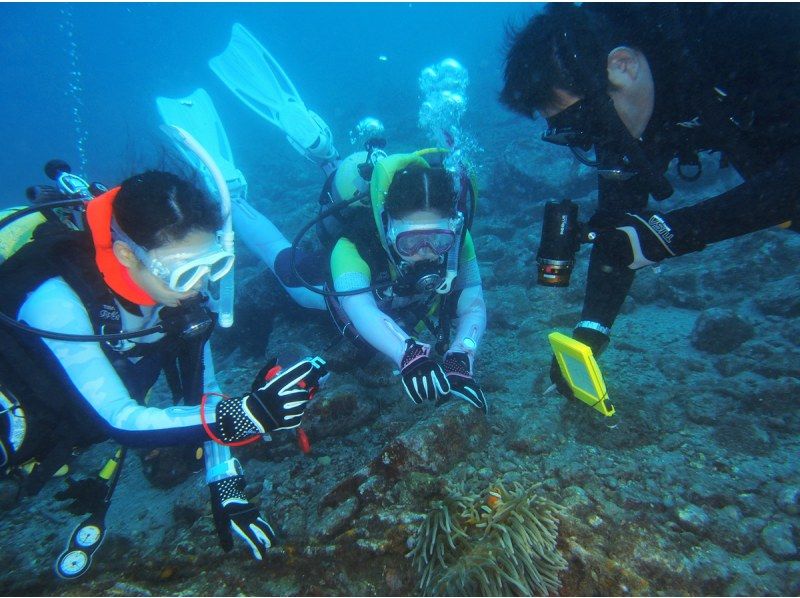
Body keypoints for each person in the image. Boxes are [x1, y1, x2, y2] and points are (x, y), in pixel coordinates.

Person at [0, 169, 328, 572]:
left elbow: (202, 392)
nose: (199, 285)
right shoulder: (55, 299)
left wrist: (226, 489)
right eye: (182, 271)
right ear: (126, 254)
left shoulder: (180, 299)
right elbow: (117, 418)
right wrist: (248, 415)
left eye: (212, 264)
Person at [499, 3, 800, 398]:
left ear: (622, 66)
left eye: (582, 122)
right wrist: (591, 334)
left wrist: (669, 234)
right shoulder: (621, 117)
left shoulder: (751, 31)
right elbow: (619, 236)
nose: (590, 140)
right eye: (566, 130)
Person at [326, 150, 488, 413]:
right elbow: (359, 308)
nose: (425, 252)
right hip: (333, 294)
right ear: (388, 229)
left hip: (400, 305)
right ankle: (239, 203)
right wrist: (407, 354)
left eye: (438, 240)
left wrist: (462, 355)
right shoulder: (350, 248)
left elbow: (473, 304)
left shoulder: (459, 241)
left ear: (452, 230)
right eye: (410, 242)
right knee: (289, 274)